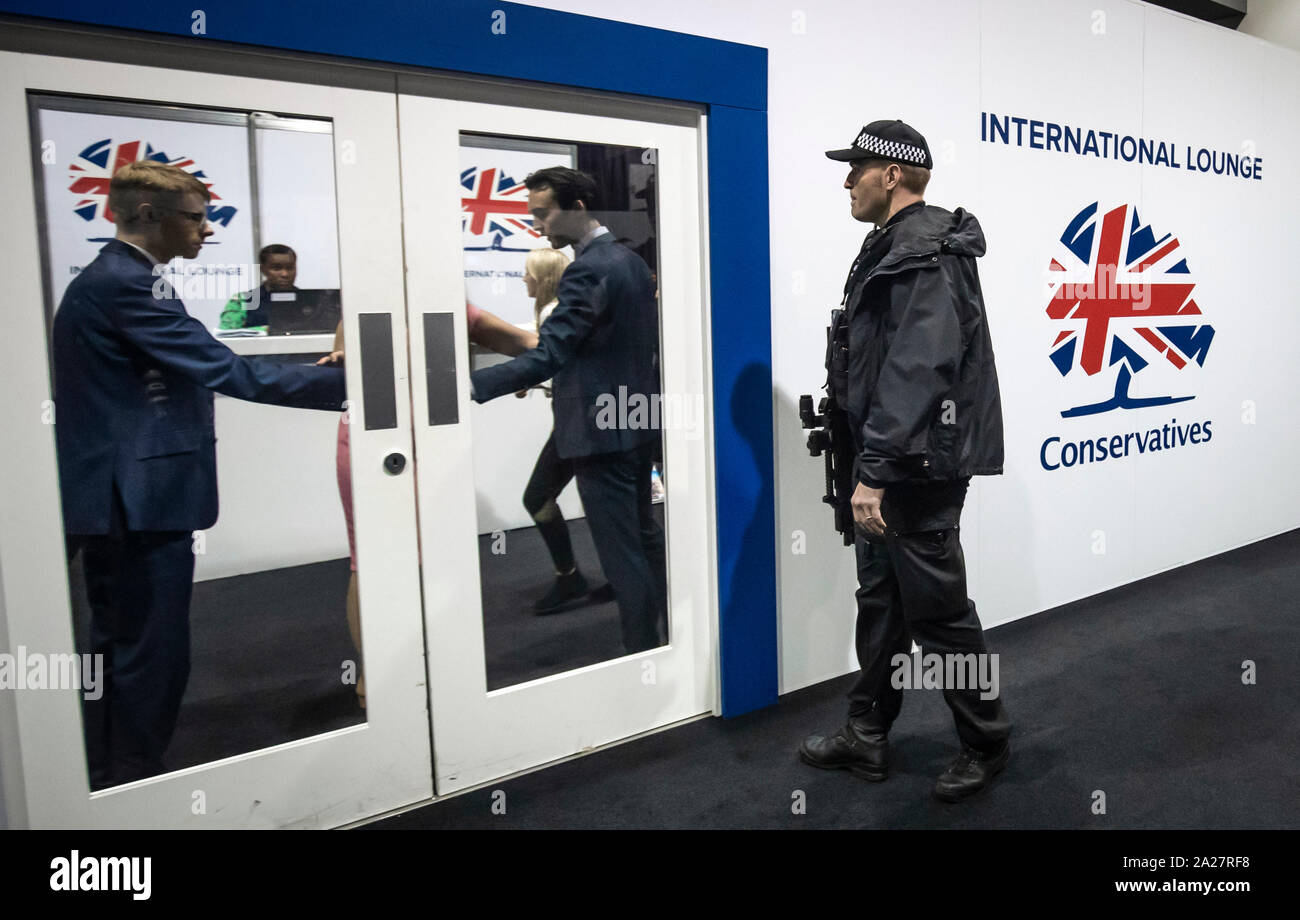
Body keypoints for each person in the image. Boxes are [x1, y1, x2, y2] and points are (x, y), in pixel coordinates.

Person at [55, 160, 346, 789]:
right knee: (149, 649)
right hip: (137, 500)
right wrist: (356, 383)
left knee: (118, 642)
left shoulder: (123, 278)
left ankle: (108, 773)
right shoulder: (127, 284)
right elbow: (234, 372)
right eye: (195, 217)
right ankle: (134, 783)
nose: (206, 231)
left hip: (120, 496)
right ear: (147, 215)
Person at [798, 120, 1013, 802]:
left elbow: (919, 369)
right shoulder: (890, 245)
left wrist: (875, 471)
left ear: (891, 173)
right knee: (883, 607)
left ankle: (987, 741)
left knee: (940, 617)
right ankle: (867, 734)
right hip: (890, 465)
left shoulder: (925, 249)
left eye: (855, 167)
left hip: (913, 470)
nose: (845, 180)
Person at [469, 166, 666, 653]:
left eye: (545, 213)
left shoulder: (589, 268)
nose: (539, 224)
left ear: (577, 208)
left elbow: (550, 354)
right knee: (641, 540)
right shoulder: (630, 261)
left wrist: (471, 387)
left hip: (601, 434)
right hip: (634, 420)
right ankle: (663, 646)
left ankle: (642, 656)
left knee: (623, 554)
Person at [318, 302, 538, 706]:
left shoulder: (454, 309)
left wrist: (532, 369)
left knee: (436, 556)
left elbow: (528, 345)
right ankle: (376, 674)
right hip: (371, 445)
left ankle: (437, 665)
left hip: (436, 445)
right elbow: (342, 362)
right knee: (367, 560)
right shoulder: (365, 306)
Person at [513, 247, 613, 612]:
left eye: (527, 273)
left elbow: (560, 360)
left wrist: (528, 375)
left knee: (537, 497)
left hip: (582, 422)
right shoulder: (552, 311)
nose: (523, 279)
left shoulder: (557, 313)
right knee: (606, 504)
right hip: (583, 420)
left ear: (542, 279)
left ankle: (570, 577)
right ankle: (617, 577)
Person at [218, 243, 297, 329]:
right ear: (263, 269)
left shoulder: (309, 299)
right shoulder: (244, 299)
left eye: (290, 268)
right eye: (276, 268)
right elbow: (228, 332)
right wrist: (268, 330)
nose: (285, 274)